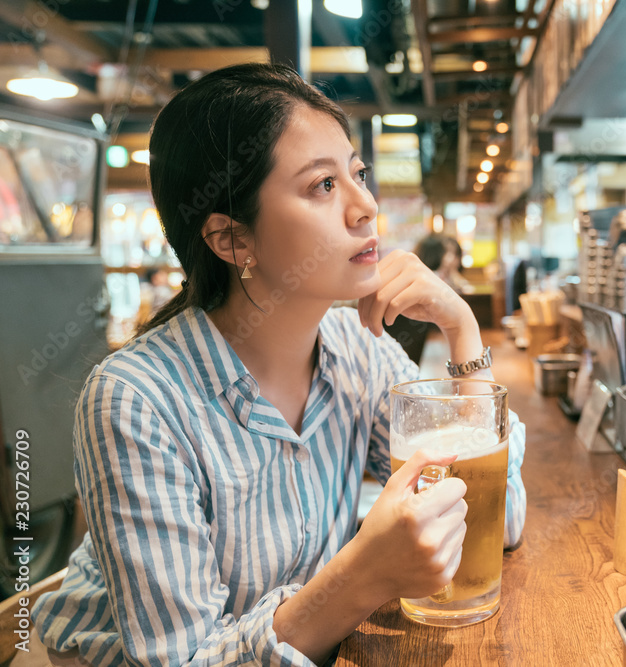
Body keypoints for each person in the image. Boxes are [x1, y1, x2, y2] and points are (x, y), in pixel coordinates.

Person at [27, 62, 526, 667]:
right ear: (232, 240)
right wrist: (362, 576)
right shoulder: (136, 400)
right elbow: (181, 660)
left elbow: (495, 523)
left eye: (357, 174)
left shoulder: (357, 350)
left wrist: (461, 328)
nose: (365, 205)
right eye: (323, 186)